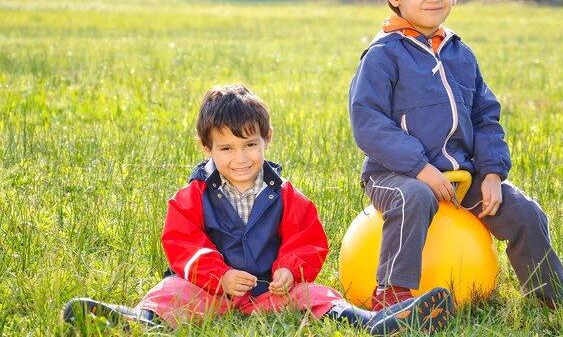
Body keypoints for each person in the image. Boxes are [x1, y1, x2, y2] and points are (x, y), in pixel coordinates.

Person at [63, 83, 454, 335]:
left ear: (266, 139)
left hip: (270, 290)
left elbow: (309, 241)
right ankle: (133, 321)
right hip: (209, 291)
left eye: (250, 144)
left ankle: (376, 322)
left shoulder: (285, 194)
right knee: (170, 291)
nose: (240, 159)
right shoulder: (192, 197)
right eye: (226, 149)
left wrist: (289, 269)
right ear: (207, 149)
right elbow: (183, 246)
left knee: (315, 295)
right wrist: (220, 276)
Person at [348, 0, 563, 311]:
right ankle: (394, 297)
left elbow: (486, 117)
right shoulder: (384, 54)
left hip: (462, 176)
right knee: (414, 197)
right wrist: (419, 168)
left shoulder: (460, 54)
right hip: (394, 175)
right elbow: (367, 121)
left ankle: (550, 298)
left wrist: (493, 174)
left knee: (524, 211)